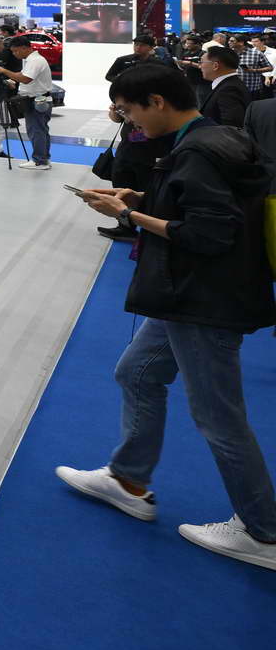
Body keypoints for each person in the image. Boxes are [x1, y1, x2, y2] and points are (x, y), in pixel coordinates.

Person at [61, 62, 276, 572]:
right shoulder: (213, 136)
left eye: (130, 111)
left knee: (218, 416)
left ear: (157, 101)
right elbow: (203, 206)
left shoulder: (197, 150)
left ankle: (264, 532)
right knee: (136, 372)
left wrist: (128, 215)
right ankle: (128, 478)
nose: (130, 121)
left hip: (203, 299)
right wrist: (142, 198)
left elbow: (208, 234)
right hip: (189, 295)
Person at [0, 36, 55, 167]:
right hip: (37, 99)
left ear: (25, 48)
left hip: (37, 100)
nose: (14, 54)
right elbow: (22, 74)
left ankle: (39, 161)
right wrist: (12, 79)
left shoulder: (35, 61)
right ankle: (43, 158)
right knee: (40, 130)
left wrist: (4, 71)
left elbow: (25, 79)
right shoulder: (31, 60)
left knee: (36, 131)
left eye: (16, 51)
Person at [199, 45, 249, 129]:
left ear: (215, 66)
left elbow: (231, 127)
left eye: (201, 62)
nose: (199, 66)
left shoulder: (229, 89)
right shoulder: (229, 84)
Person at [107, 35, 173, 83]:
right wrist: (122, 82)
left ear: (151, 47)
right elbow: (109, 76)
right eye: (136, 44)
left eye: (142, 45)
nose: (138, 47)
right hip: (126, 93)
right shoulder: (122, 60)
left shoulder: (158, 63)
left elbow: (166, 79)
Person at [243, 33, 274, 101]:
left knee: (268, 98)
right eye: (252, 42)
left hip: (271, 77)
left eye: (256, 41)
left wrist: (269, 76)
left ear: (262, 42)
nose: (254, 43)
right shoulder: (249, 52)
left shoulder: (273, 51)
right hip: (255, 79)